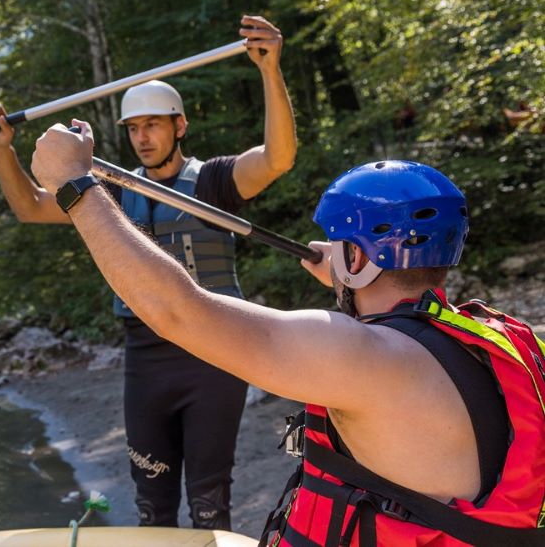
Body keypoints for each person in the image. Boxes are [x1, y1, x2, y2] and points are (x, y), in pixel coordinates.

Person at [29, 137, 545, 546]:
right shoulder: (500, 340)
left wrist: (77, 186)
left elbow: (176, 311)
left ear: (361, 259)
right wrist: (348, 273)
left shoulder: (361, 358)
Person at [0, 16, 297, 529]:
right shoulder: (111, 192)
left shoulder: (214, 180)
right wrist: (1, 149)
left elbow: (277, 158)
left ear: (179, 126)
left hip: (216, 356)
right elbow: (32, 206)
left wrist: (270, 71)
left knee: (211, 506)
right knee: (152, 509)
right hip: (145, 363)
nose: (143, 138)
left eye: (154, 125)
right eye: (135, 129)